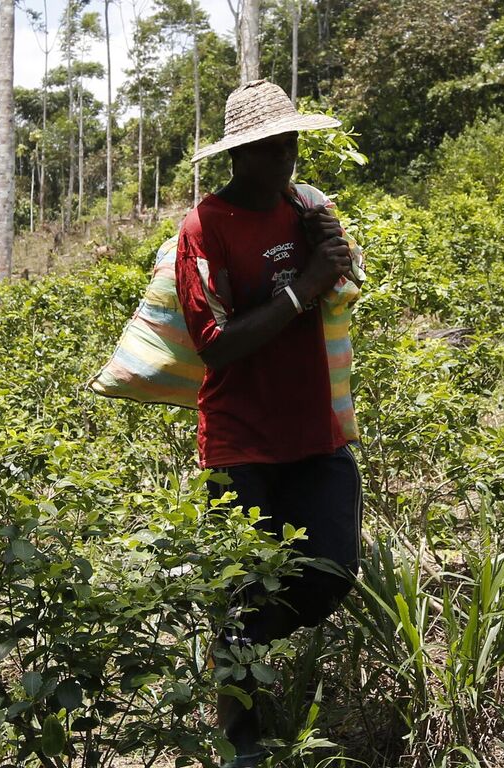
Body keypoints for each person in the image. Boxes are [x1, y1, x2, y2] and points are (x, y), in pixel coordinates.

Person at [173, 79, 362, 767]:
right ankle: (243, 743)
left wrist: (331, 259)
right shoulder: (206, 228)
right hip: (239, 440)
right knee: (245, 590)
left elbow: (344, 286)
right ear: (241, 155)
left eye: (292, 142)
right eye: (272, 146)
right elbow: (215, 343)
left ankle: (242, 653)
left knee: (332, 570)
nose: (287, 155)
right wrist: (302, 287)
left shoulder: (308, 208)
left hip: (316, 428)